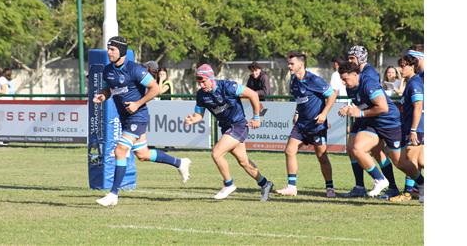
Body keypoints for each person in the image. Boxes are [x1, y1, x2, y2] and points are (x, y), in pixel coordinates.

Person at [93, 36, 192, 207]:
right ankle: (180, 163)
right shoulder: (108, 70)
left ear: (122, 51)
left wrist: (138, 103)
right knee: (143, 154)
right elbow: (111, 88)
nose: (109, 52)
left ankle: (113, 194)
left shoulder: (135, 70)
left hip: (138, 116)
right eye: (108, 49)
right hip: (125, 117)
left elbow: (155, 89)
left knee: (120, 150)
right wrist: (104, 95)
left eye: (112, 49)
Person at [184, 64, 274, 201]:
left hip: (239, 125)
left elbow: (253, 94)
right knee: (244, 162)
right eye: (199, 82)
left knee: (216, 153)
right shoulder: (201, 95)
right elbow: (199, 115)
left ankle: (228, 184)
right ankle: (265, 183)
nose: (201, 85)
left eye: (203, 81)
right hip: (227, 128)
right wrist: (193, 120)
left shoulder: (228, 86)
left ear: (211, 78)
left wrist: (256, 117)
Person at [275, 53, 338, 198]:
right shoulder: (293, 80)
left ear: (301, 65)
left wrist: (324, 114)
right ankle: (291, 187)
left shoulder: (314, 80)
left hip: (316, 125)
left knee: (322, 156)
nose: (289, 66)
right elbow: (300, 99)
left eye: (291, 63)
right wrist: (296, 112)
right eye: (288, 63)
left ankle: (330, 188)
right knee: (289, 150)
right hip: (301, 124)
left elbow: (332, 95)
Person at [338, 61, 404, 197]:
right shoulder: (350, 87)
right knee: (357, 149)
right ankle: (379, 180)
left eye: (345, 79)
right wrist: (351, 109)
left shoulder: (369, 83)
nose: (343, 82)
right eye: (342, 79)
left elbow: (383, 107)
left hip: (389, 122)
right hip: (373, 122)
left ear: (355, 74)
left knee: (400, 161)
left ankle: (419, 185)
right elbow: (364, 104)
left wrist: (360, 113)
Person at [389, 55, 425, 203]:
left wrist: (413, 130)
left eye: (403, 65)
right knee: (420, 161)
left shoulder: (415, 83)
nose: (400, 68)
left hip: (417, 128)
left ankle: (421, 187)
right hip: (410, 127)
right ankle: (421, 189)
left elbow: (418, 106)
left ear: (412, 66)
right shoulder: (410, 83)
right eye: (400, 65)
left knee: (406, 160)